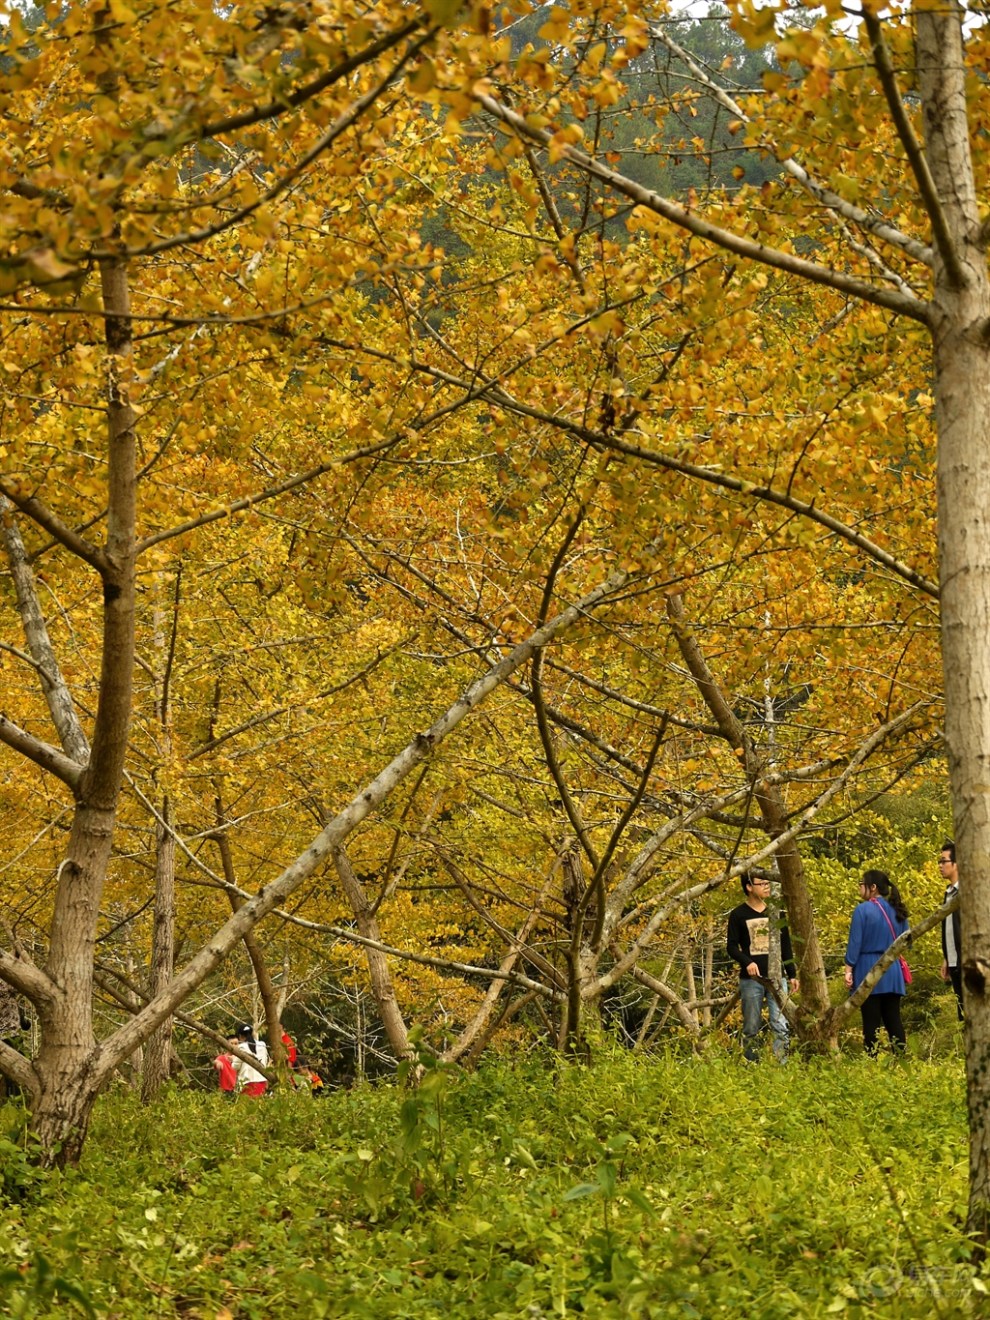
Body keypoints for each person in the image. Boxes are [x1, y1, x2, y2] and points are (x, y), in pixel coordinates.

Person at [726, 873, 798, 1061]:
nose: (766, 887)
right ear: (749, 887)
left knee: (780, 1024)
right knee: (751, 1027)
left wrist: (792, 974)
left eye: (768, 883)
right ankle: (752, 1067)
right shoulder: (738, 914)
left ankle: (781, 1067)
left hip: (776, 977)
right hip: (752, 980)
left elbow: (786, 945)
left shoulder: (776, 912)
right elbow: (731, 947)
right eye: (762, 883)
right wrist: (747, 961)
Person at [844, 869, 908, 1054]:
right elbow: (906, 943)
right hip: (892, 968)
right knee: (894, 1020)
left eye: (861, 884)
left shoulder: (862, 910)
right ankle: (901, 1060)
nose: (859, 887)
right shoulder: (898, 910)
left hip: (868, 968)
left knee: (870, 1022)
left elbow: (855, 943)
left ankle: (871, 1062)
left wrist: (848, 969)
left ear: (872, 887)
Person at [939, 840, 963, 1020]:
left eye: (943, 861)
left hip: (969, 961)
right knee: (962, 1012)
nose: (940, 866)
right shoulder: (948, 893)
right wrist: (947, 957)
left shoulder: (966, 891)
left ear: (956, 863)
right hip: (954, 962)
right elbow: (948, 929)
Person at [231, 1022, 269, 1096]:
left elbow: (235, 1066)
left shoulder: (242, 1047)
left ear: (240, 1036)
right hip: (261, 1080)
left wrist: (233, 1060)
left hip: (248, 1082)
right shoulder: (262, 1045)